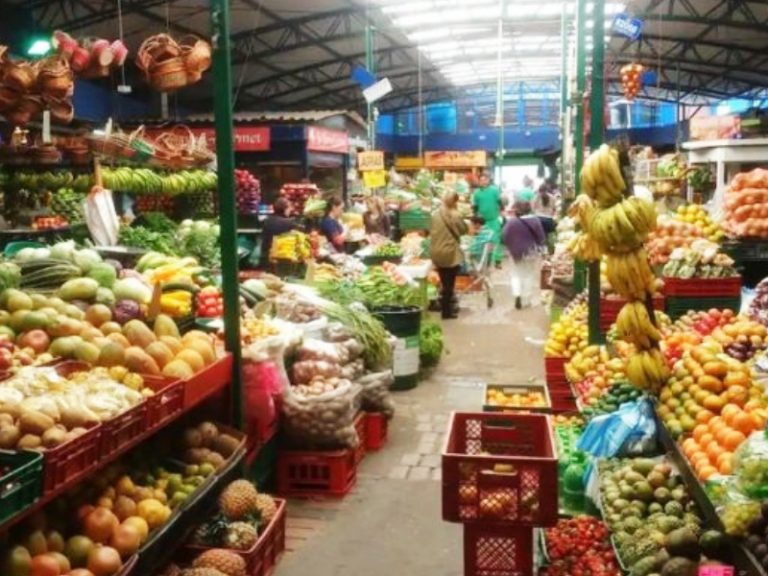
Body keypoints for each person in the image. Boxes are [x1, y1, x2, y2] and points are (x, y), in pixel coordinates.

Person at [502, 201, 547, 310]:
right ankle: (526, 300)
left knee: (515, 274)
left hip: (515, 252)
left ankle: (517, 294)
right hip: (531, 252)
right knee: (528, 275)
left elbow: (504, 236)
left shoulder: (511, 222)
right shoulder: (535, 220)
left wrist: (510, 246)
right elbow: (542, 237)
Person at [430, 192, 468, 319]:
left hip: (436, 251)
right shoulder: (455, 215)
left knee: (443, 280)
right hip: (450, 252)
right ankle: (446, 311)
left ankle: (446, 308)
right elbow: (463, 230)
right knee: (449, 283)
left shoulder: (435, 214)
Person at [472, 171, 503, 268]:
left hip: (493, 220)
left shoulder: (494, 190)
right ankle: (486, 260)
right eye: (481, 180)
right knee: (483, 241)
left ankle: (498, 261)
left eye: (485, 179)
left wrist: (501, 214)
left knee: (496, 240)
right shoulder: (476, 193)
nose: (482, 181)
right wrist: (475, 219)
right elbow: (475, 207)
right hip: (482, 222)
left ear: (488, 180)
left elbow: (500, 202)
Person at [260, 198, 300, 267]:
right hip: (284, 258)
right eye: (289, 208)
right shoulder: (289, 222)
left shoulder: (267, 221)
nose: (290, 210)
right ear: (285, 209)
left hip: (268, 257)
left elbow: (264, 242)